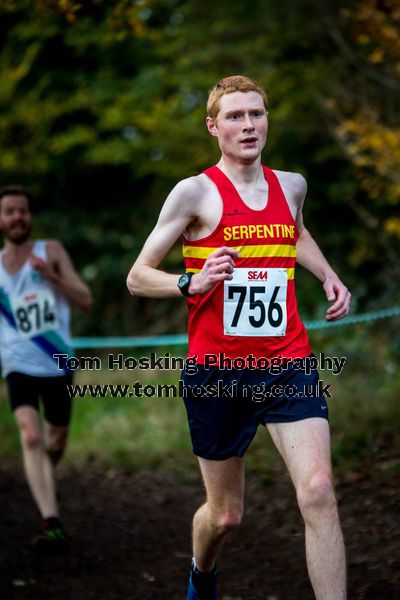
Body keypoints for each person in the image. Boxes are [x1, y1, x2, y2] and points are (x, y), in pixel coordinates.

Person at [126, 75, 351, 599]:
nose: (248, 125)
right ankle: (201, 574)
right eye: (235, 116)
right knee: (226, 516)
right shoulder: (195, 193)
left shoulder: (291, 185)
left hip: (286, 362)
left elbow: (294, 231)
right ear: (213, 127)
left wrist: (328, 274)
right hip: (217, 372)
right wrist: (190, 281)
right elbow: (137, 277)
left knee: (318, 492)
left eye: (257, 114)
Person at [0, 185, 92, 554]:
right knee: (31, 436)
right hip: (17, 363)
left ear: (30, 216)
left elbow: (85, 299)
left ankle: (43, 481)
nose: (17, 217)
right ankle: (52, 523)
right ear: (1, 220)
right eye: (9, 211)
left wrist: (52, 276)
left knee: (55, 442)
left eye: (22, 210)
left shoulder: (50, 251)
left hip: (58, 363)